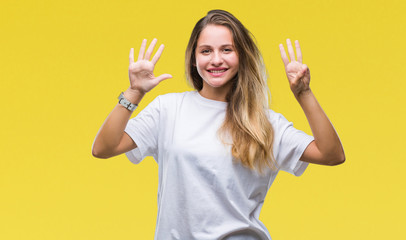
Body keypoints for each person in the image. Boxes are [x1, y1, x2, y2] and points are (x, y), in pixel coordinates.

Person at [92, 9, 345, 240]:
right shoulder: (168, 109)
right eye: (206, 51)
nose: (216, 59)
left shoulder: (264, 122)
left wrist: (304, 94)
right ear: (194, 59)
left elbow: (331, 154)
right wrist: (134, 92)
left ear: (242, 57)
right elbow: (104, 148)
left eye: (227, 50)